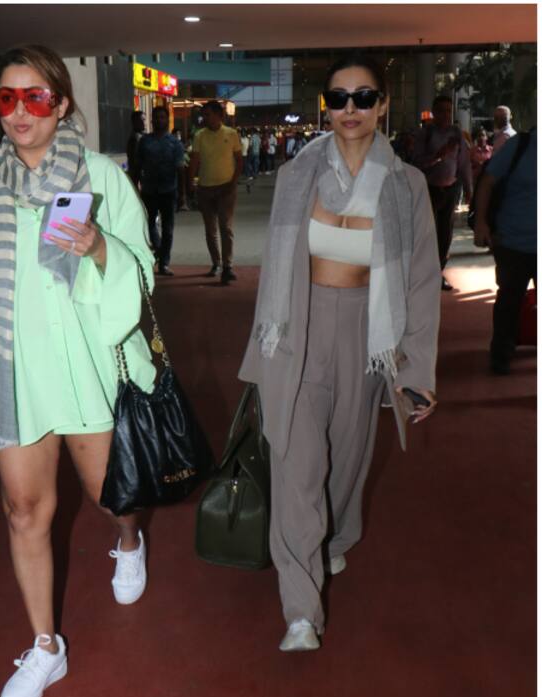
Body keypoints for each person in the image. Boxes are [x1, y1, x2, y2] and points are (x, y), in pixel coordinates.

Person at [0, 45, 157, 697]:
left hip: (85, 365)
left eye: (35, 97)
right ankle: (46, 646)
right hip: (14, 372)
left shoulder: (100, 177)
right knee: (24, 510)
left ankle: (129, 540)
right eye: (7, 98)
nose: (20, 111)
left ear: (60, 102)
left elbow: (142, 269)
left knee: (111, 495)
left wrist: (100, 246)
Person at [238, 55, 440, 652]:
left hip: (367, 333)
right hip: (298, 328)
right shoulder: (297, 172)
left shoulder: (405, 184)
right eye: (338, 98)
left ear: (383, 104)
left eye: (364, 96)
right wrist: (263, 350)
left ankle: (333, 540)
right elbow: (275, 269)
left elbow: (422, 280)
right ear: (326, 106)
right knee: (297, 463)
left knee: (348, 461)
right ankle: (301, 610)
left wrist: (417, 369)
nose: (350, 109)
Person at [474, 128, 536, 375]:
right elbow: (487, 182)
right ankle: (501, 352)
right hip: (513, 243)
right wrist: (481, 223)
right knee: (509, 301)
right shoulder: (520, 145)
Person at [411, 95, 472, 291]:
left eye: (448, 111)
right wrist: (438, 156)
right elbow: (416, 162)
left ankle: (438, 272)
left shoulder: (456, 134)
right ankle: (423, 273)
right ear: (434, 113)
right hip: (429, 189)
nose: (446, 115)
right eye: (441, 111)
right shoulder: (425, 134)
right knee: (426, 234)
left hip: (451, 189)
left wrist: (469, 189)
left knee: (445, 234)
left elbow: (464, 164)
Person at [187, 100, 243, 285]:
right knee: (210, 229)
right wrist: (190, 183)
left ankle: (228, 265)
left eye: (208, 114)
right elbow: (194, 161)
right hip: (205, 188)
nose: (205, 118)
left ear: (219, 115)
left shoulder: (231, 134)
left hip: (226, 188)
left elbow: (239, 160)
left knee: (226, 228)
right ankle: (216, 263)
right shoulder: (199, 136)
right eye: (204, 115)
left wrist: (233, 183)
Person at [133, 105, 186, 276]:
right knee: (148, 225)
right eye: (156, 117)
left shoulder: (175, 143)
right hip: (149, 191)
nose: (159, 120)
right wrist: (134, 186)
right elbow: (137, 166)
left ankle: (164, 263)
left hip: (169, 191)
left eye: (162, 117)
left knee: (168, 229)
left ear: (167, 120)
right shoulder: (144, 142)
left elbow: (180, 170)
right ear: (152, 120)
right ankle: (159, 250)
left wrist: (183, 195)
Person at [126, 110, 146, 183]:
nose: (144, 123)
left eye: (144, 120)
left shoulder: (143, 136)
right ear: (135, 122)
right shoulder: (136, 138)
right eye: (142, 120)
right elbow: (135, 161)